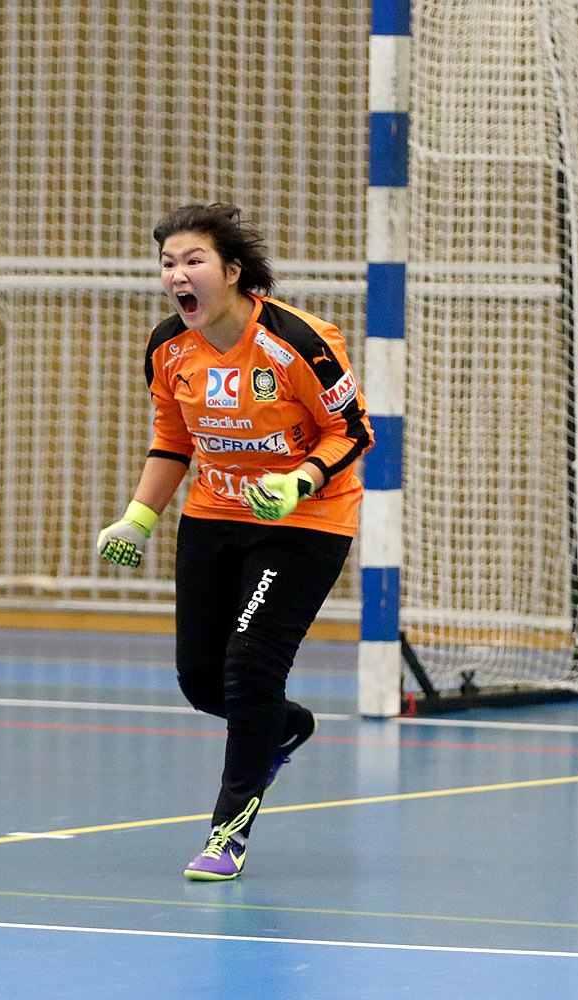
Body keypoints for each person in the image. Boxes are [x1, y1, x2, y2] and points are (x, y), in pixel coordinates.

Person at [96, 203, 373, 881]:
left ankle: (228, 834)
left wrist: (301, 482)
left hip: (303, 522)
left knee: (251, 666)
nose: (176, 275)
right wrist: (138, 518)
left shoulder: (297, 341)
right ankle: (281, 723)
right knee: (202, 678)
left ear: (233, 272)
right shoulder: (168, 347)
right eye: (167, 263)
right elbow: (173, 441)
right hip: (214, 517)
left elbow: (354, 431)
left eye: (192, 261)